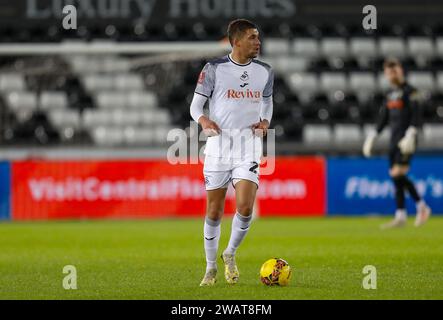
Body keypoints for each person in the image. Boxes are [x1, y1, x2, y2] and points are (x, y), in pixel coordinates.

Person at [189, 19, 274, 286]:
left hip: (248, 147)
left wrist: (265, 122)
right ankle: (210, 267)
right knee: (214, 212)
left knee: (246, 207)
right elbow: (195, 106)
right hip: (218, 149)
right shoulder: (214, 69)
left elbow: (267, 103)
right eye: (252, 38)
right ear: (236, 41)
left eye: (258, 37)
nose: (257, 42)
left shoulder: (265, 71)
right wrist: (203, 121)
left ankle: (230, 253)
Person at [363, 58, 431, 229]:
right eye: (388, 72)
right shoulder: (389, 95)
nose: (392, 74)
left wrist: (411, 133)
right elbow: (383, 118)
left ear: (401, 70)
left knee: (397, 173)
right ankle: (401, 214)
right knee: (396, 178)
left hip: (407, 138)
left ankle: (422, 207)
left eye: (394, 70)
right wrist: (373, 135)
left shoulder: (411, 92)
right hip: (393, 140)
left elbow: (417, 115)